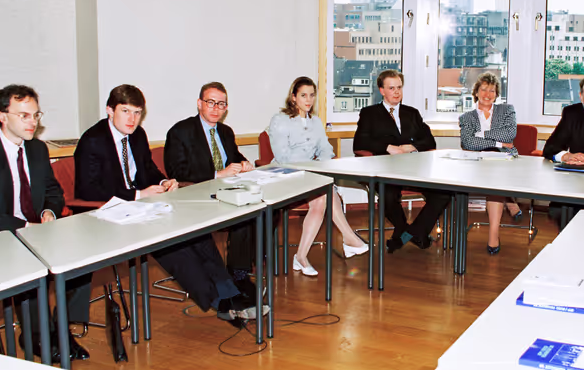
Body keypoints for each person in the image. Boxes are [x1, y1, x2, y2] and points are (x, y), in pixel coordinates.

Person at [74, 84, 262, 321]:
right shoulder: (93, 140)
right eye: (126, 111)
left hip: (139, 209)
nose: (132, 119)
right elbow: (87, 189)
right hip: (107, 215)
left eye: (137, 112)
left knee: (194, 230)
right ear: (110, 111)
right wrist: (139, 195)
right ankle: (220, 302)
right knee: (173, 244)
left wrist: (163, 181)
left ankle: (230, 292)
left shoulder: (137, 135)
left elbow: (148, 170)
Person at [0, 84, 88, 362]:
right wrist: (24, 227)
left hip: (34, 229)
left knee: (82, 258)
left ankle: (60, 331)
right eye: (24, 116)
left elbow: (53, 191)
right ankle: (39, 338)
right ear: (2, 116)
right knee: (31, 265)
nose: (33, 123)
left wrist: (49, 212)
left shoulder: (37, 149)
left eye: (36, 115)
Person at [266, 77, 369, 276]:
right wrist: (313, 166)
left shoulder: (316, 121)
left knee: (324, 195)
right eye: (303, 95)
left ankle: (302, 257)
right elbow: (283, 156)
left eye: (312, 95)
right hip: (285, 174)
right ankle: (349, 238)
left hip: (309, 175)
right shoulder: (279, 120)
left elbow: (324, 149)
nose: (309, 100)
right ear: (293, 97)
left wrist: (324, 163)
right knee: (324, 192)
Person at [164, 81, 255, 283]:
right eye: (211, 102)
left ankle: (240, 269)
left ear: (226, 108)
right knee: (243, 213)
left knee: (260, 207)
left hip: (228, 190)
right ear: (199, 103)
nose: (216, 108)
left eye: (221, 104)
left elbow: (234, 156)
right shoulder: (181, 131)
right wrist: (217, 174)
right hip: (197, 195)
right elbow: (177, 171)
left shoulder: (225, 132)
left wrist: (244, 163)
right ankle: (234, 275)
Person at [353, 69, 451, 253]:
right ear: (382, 90)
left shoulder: (411, 113)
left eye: (399, 87)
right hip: (385, 169)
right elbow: (360, 142)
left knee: (444, 191)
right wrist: (388, 147)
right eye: (392, 88)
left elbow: (429, 140)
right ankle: (410, 232)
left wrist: (410, 147)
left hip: (415, 169)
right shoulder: (369, 113)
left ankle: (411, 232)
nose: (397, 92)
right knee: (388, 196)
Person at [457, 72, 522, 254]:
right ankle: (509, 201)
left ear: (496, 94)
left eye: (492, 90)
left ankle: (494, 232)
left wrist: (481, 134)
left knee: (495, 173)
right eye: (483, 89)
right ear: (476, 92)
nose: (487, 94)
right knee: (493, 170)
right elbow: (468, 143)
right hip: (478, 162)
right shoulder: (467, 117)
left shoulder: (507, 110)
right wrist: (497, 143)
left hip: (505, 160)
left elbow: (510, 135)